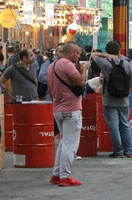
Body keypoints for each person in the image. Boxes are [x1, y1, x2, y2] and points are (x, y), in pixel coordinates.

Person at [47, 42, 88, 186]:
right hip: (71, 109)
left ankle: (56, 174)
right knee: (70, 144)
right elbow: (82, 81)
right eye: (77, 53)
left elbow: (51, 90)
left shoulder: (51, 66)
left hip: (58, 108)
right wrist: (84, 69)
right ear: (71, 53)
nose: (78, 56)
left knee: (63, 143)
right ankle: (64, 176)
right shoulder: (67, 64)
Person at [92, 41, 132, 158]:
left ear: (107, 51)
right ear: (119, 50)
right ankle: (130, 150)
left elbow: (93, 55)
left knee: (113, 125)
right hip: (124, 99)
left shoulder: (105, 64)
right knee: (125, 123)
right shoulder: (126, 63)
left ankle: (118, 152)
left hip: (109, 98)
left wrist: (105, 55)